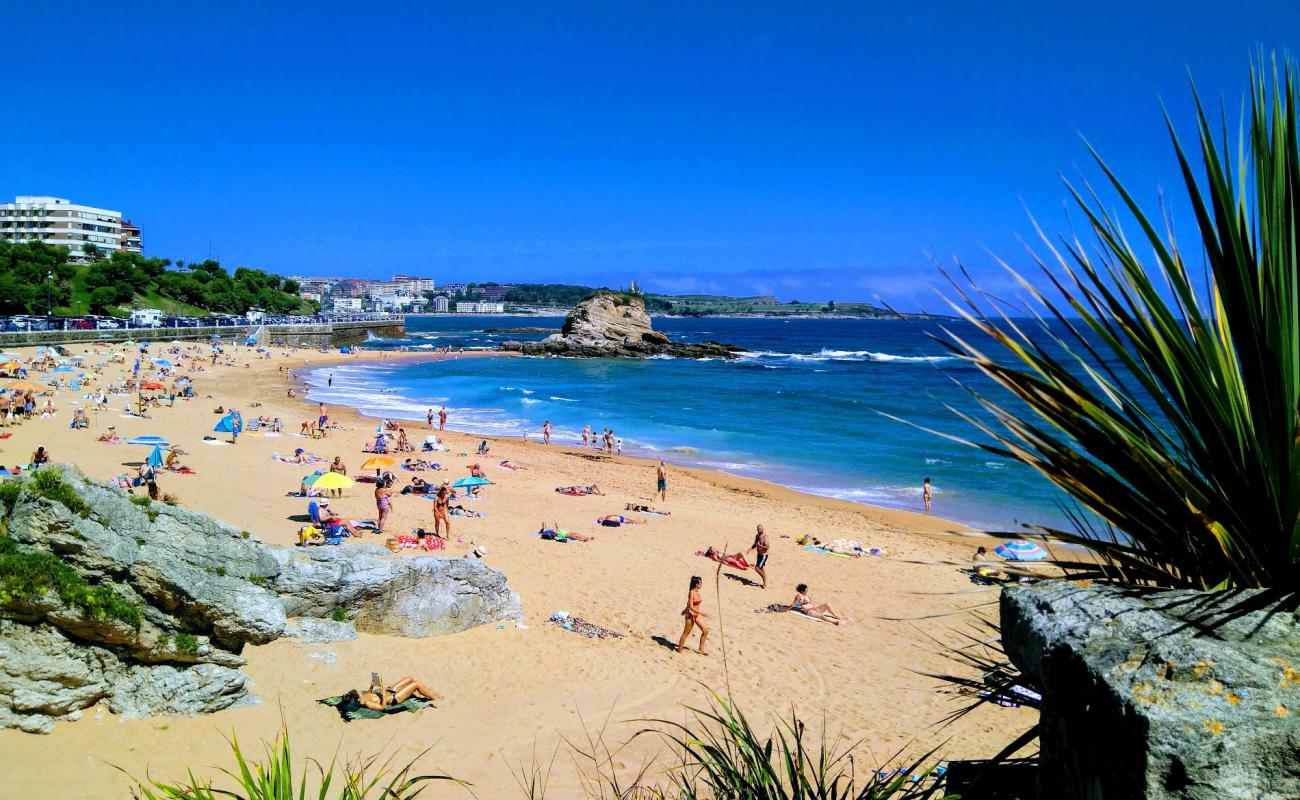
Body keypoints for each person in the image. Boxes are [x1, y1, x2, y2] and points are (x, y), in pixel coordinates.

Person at [345, 675, 440, 711]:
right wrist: (382, 692)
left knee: (410, 678)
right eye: (358, 692)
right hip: (394, 698)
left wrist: (372, 685)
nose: (360, 691)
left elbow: (369, 693)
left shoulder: (363, 696)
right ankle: (435, 699)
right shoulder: (367, 703)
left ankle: (421, 691)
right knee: (416, 684)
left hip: (390, 690)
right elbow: (383, 708)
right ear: (358, 697)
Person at [676, 576, 709, 655]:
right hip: (690, 615)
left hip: (696, 615)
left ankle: (700, 649)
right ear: (696, 584)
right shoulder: (691, 592)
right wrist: (701, 613)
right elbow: (690, 606)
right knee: (686, 633)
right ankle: (680, 650)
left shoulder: (698, 592)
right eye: (700, 583)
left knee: (705, 631)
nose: (701, 584)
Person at [747, 524, 770, 589]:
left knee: (757, 568)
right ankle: (765, 577)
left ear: (763, 529)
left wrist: (760, 546)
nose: (759, 531)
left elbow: (767, 547)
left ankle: (764, 580)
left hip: (764, 555)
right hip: (759, 555)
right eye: (758, 529)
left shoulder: (765, 537)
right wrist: (749, 549)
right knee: (761, 567)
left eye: (760, 529)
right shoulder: (757, 536)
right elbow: (755, 544)